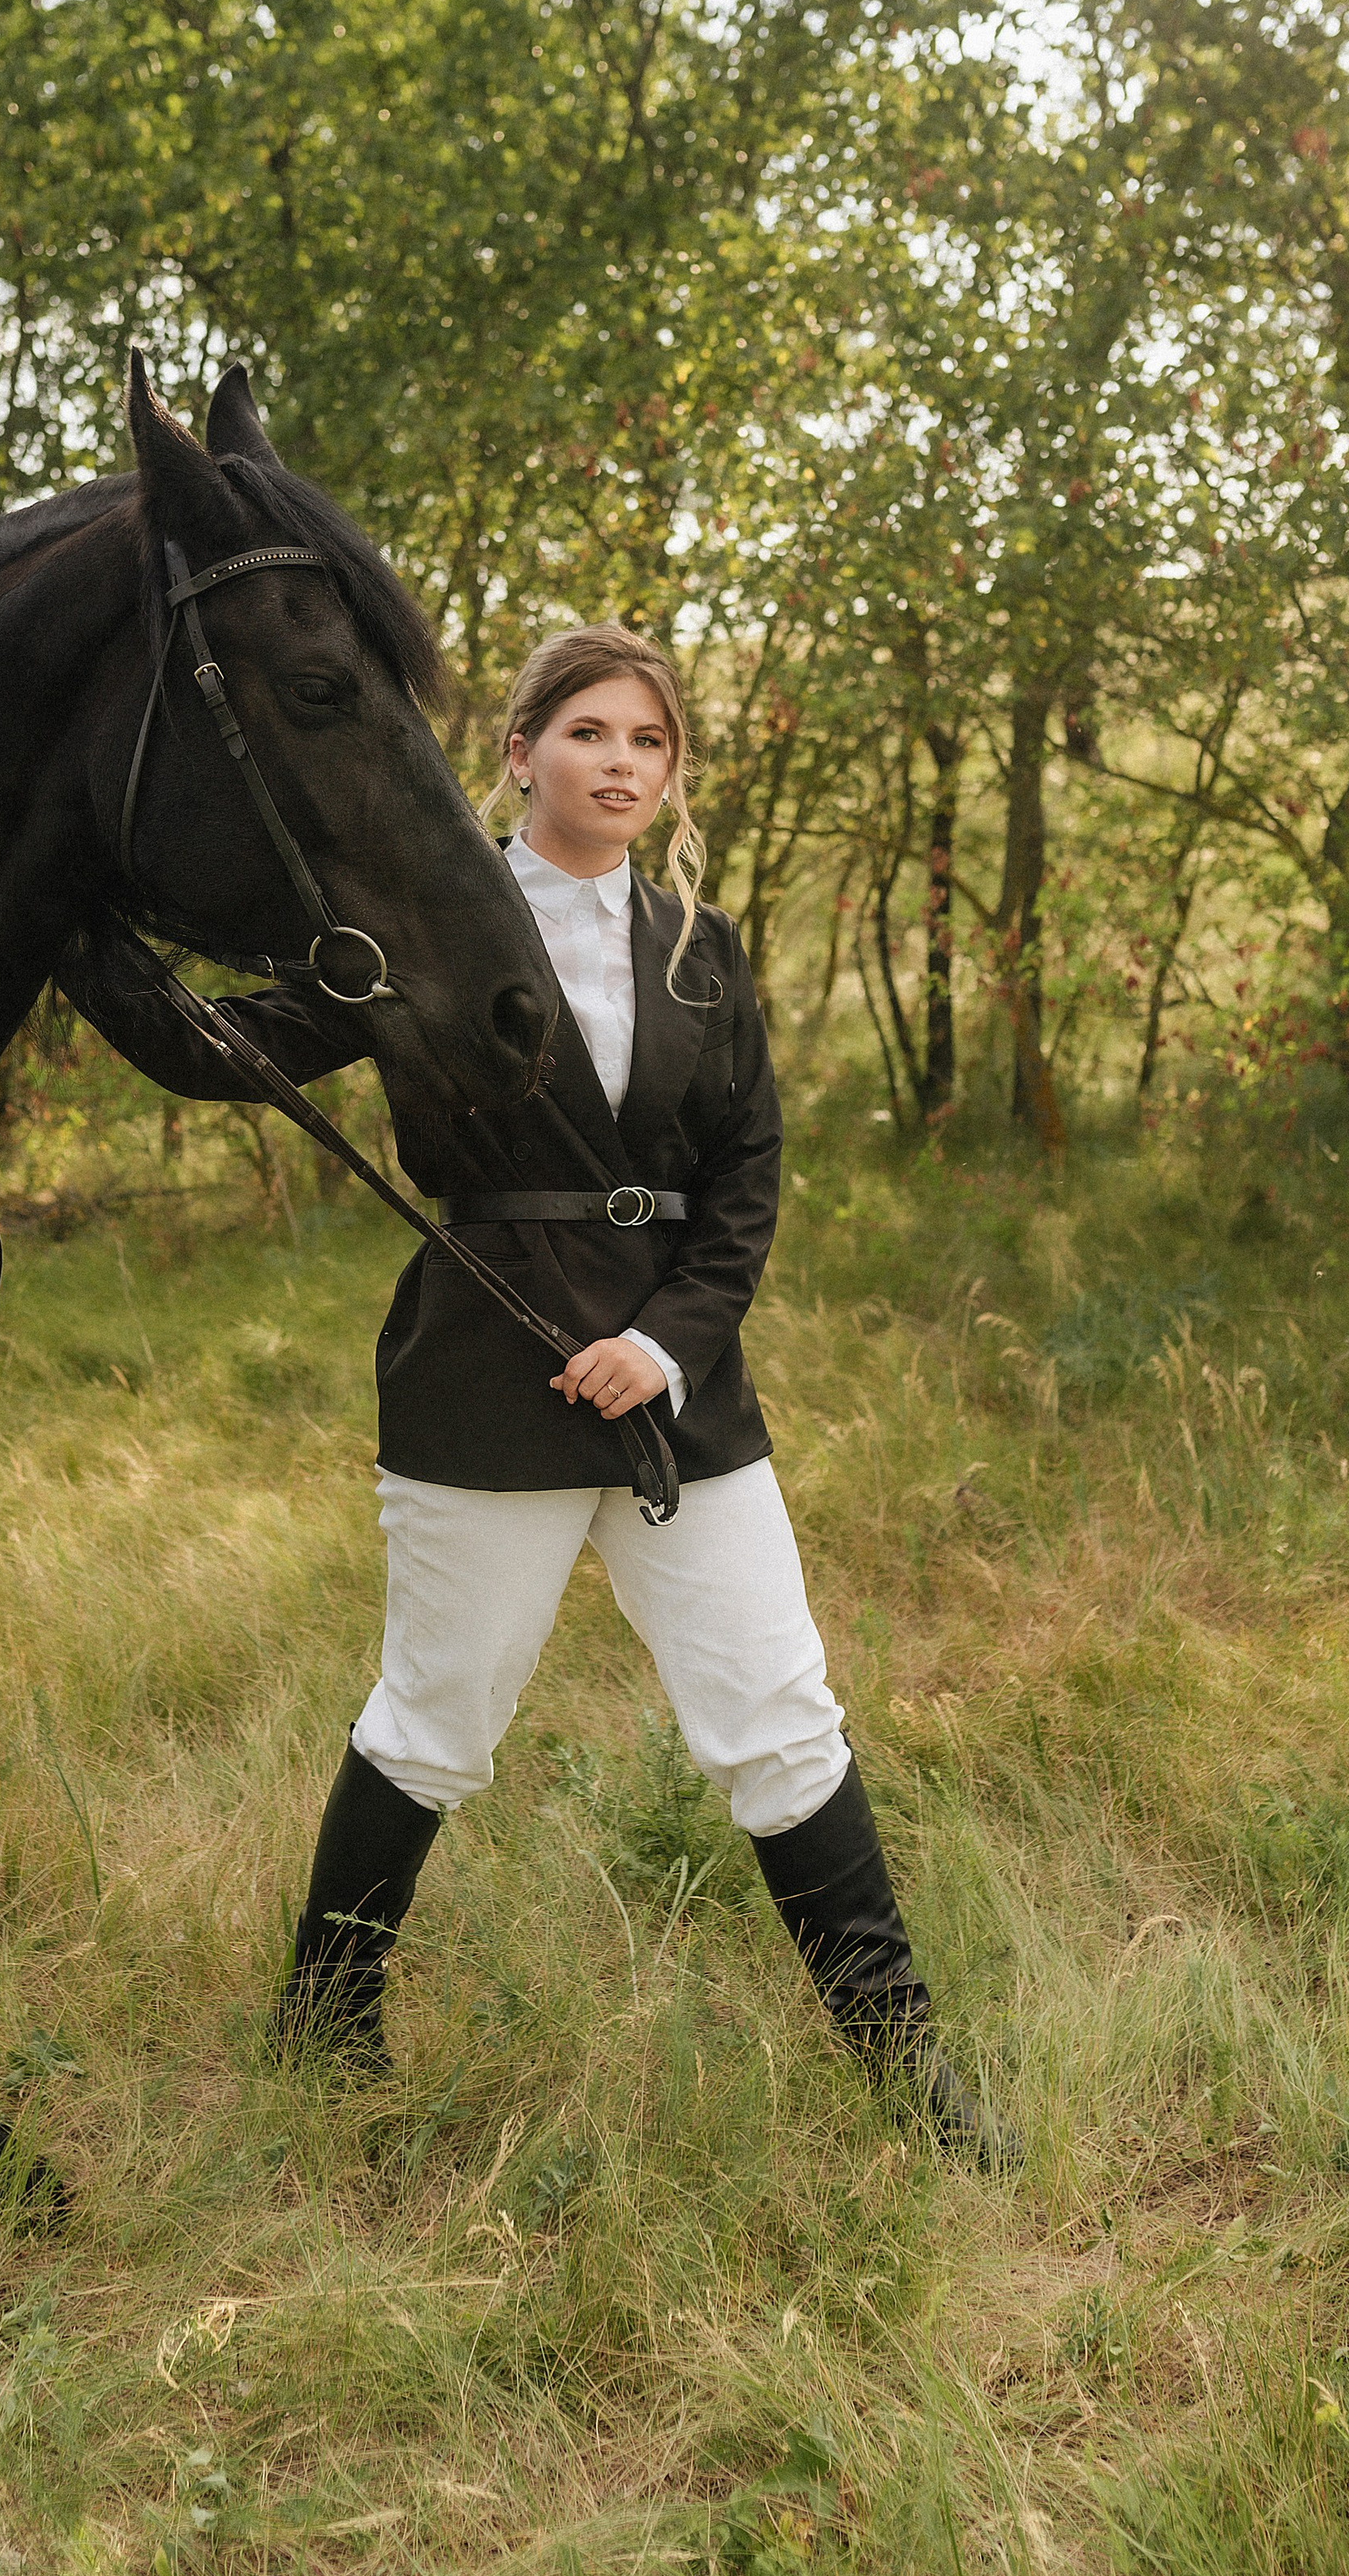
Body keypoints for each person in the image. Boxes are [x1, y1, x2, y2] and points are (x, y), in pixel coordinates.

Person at [70, 624, 1013, 2166]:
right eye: (590, 732)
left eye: (650, 741)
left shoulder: (704, 948)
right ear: (520, 754)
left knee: (782, 1722)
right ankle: (325, 2028)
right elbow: (228, 1048)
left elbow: (746, 1179)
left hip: (673, 1389)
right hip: (482, 1368)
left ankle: (911, 2072)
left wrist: (675, 1340)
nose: (623, 763)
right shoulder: (414, 922)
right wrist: (82, 932)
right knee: (436, 1721)